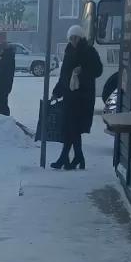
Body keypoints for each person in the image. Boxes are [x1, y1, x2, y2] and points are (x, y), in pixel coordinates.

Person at [50, 25, 103, 170]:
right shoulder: (68, 52)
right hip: (69, 97)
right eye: (71, 38)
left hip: (83, 97)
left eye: (76, 37)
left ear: (81, 37)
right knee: (71, 128)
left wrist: (83, 70)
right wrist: (57, 92)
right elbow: (64, 76)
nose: (73, 40)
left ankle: (66, 158)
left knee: (72, 128)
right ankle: (76, 157)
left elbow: (98, 70)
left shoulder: (89, 51)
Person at [0, 41, 16, 116]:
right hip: (4, 86)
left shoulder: (6, 58)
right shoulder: (8, 57)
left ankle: (3, 120)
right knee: (2, 103)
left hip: (1, 86)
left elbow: (1, 72)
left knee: (1, 105)